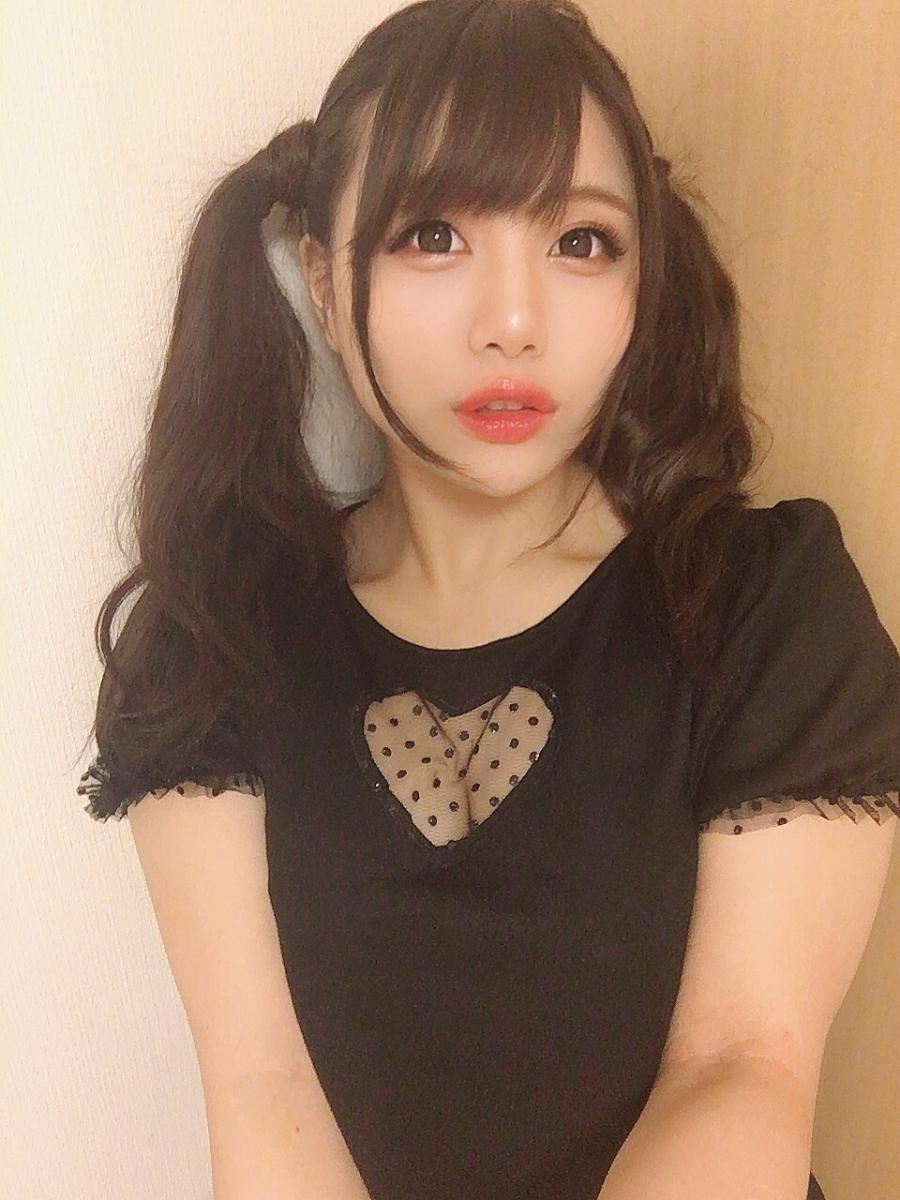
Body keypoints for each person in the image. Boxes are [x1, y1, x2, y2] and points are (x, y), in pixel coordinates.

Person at [76, 2, 900, 1198]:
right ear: (323, 279)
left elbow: (744, 1065)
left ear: (642, 277)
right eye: (432, 235)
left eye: (582, 242)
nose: (513, 322)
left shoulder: (764, 605)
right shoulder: (214, 640)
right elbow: (261, 1087)